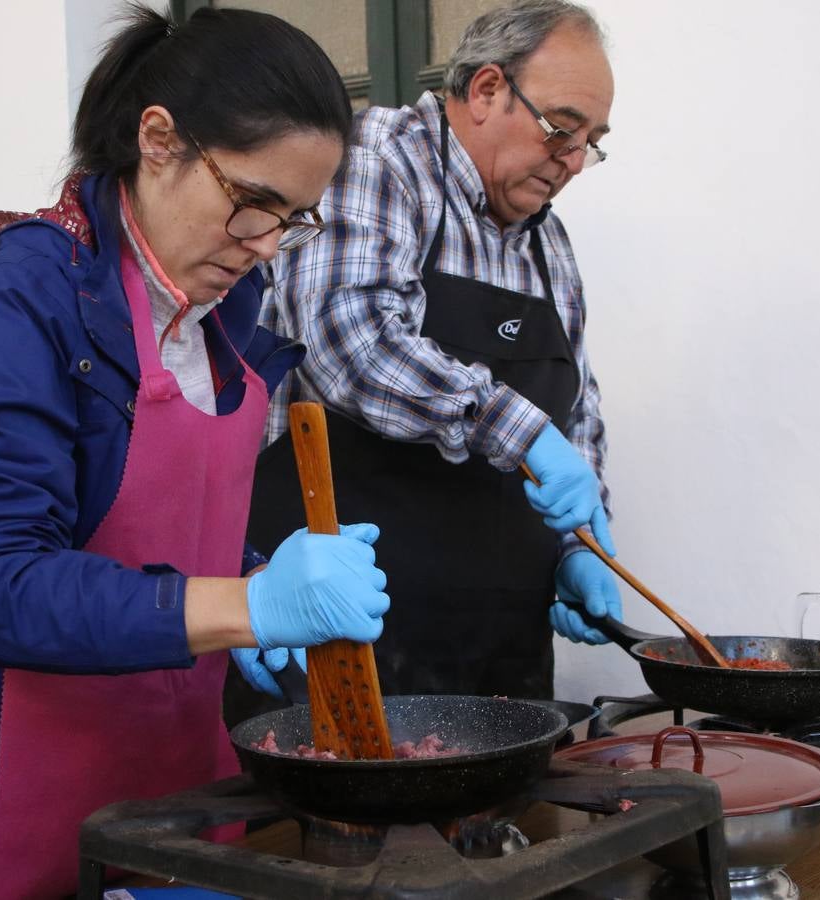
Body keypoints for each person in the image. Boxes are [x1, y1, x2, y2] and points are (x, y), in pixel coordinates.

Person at [0, 7, 388, 897]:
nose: (266, 244)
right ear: (159, 140)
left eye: (293, 218)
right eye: (252, 201)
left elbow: (152, 521)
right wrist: (247, 605)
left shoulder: (223, 311)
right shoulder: (15, 306)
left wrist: (255, 573)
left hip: (162, 791)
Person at [226, 0, 619, 727]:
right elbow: (349, 341)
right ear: (487, 89)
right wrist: (522, 432)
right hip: (345, 630)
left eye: (590, 143)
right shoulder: (375, 160)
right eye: (561, 128)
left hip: (500, 647)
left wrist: (579, 543)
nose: (572, 160)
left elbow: (579, 406)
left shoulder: (549, 244)